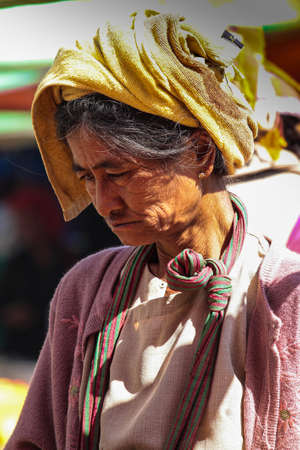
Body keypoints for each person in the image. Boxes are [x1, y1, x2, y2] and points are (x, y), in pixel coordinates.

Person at [5, 9, 300, 450]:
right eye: (88, 178)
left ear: (200, 153)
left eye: (119, 173)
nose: (103, 203)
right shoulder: (86, 289)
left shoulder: (281, 296)